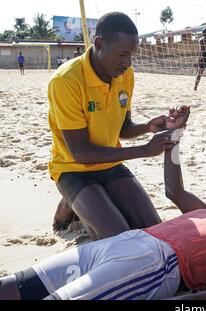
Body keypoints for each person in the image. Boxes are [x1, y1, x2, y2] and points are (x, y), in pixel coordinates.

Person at [0, 136, 206, 300]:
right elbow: (175, 192)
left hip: (157, 263)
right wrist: (174, 139)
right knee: (19, 284)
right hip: (128, 242)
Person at [48, 12, 189, 240]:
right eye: (122, 54)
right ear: (99, 44)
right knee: (118, 238)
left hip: (110, 162)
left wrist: (149, 126)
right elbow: (81, 153)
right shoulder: (66, 81)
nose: (128, 63)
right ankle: (73, 199)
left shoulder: (125, 75)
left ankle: (88, 198)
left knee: (153, 230)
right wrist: (144, 151)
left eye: (132, 55)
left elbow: (123, 127)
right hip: (74, 168)